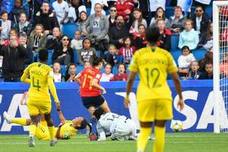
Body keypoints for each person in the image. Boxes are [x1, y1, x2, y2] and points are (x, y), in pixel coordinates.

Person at [124, 27, 184, 152]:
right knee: (160, 129)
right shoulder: (166, 55)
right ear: (159, 39)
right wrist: (181, 97)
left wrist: (127, 95)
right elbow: (176, 79)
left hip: (145, 96)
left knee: (145, 128)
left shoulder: (139, 54)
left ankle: (140, 150)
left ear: (144, 38)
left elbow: (130, 79)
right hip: (163, 95)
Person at [20, 49, 61, 147]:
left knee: (34, 120)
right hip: (44, 99)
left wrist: (33, 82)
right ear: (47, 58)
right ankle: (52, 139)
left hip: (32, 97)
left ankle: (31, 137)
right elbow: (51, 84)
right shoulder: (48, 69)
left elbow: (22, 79)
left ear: (38, 57)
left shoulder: (31, 66)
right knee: (48, 118)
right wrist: (56, 99)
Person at [3, 109, 91, 140]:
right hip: (48, 129)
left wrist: (59, 127)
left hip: (47, 135)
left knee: (34, 121)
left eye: (78, 118)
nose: (76, 117)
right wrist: (59, 111)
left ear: (78, 125)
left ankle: (31, 136)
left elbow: (59, 137)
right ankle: (10, 120)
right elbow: (64, 121)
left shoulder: (72, 132)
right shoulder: (71, 123)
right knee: (39, 117)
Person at [75, 57, 111, 135]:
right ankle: (110, 130)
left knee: (94, 115)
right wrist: (102, 88)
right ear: (100, 64)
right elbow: (93, 83)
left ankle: (89, 128)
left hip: (84, 97)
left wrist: (82, 86)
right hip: (95, 95)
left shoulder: (86, 69)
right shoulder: (98, 72)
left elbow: (76, 78)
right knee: (108, 111)